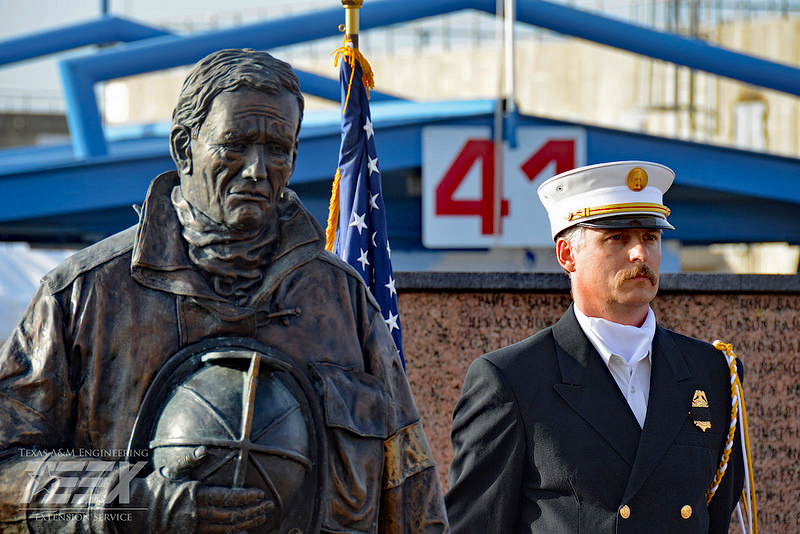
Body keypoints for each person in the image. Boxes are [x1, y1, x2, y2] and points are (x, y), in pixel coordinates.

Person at [0, 49, 448, 534]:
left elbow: (410, 489)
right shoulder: (85, 296)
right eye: (235, 145)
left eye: (277, 149)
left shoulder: (342, 301)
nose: (257, 170)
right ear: (183, 147)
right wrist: (136, 502)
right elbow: (5, 472)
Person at [446, 161, 744, 533]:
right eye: (617, 238)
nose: (640, 254)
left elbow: (715, 518)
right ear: (567, 255)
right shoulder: (512, 380)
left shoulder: (712, 372)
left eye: (650, 237)